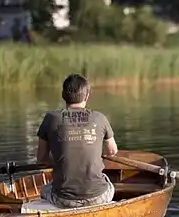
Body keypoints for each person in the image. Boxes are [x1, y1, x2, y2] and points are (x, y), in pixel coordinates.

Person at [35, 73, 119, 208]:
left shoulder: (51, 118)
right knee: (109, 185)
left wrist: (59, 160)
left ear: (63, 95)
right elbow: (112, 151)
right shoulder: (99, 118)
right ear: (87, 96)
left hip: (64, 200)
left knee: (44, 189)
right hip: (98, 197)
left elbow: (41, 159)